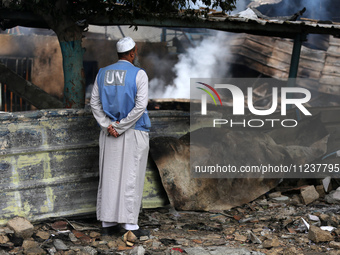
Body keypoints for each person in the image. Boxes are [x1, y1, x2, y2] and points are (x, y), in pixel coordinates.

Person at [90, 37, 151, 238]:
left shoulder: (102, 73)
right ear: (133, 53)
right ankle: (130, 225)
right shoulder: (139, 74)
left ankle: (108, 224)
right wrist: (121, 126)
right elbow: (140, 106)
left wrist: (108, 125)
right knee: (131, 177)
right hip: (133, 131)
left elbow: (94, 104)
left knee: (109, 176)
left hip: (109, 133)